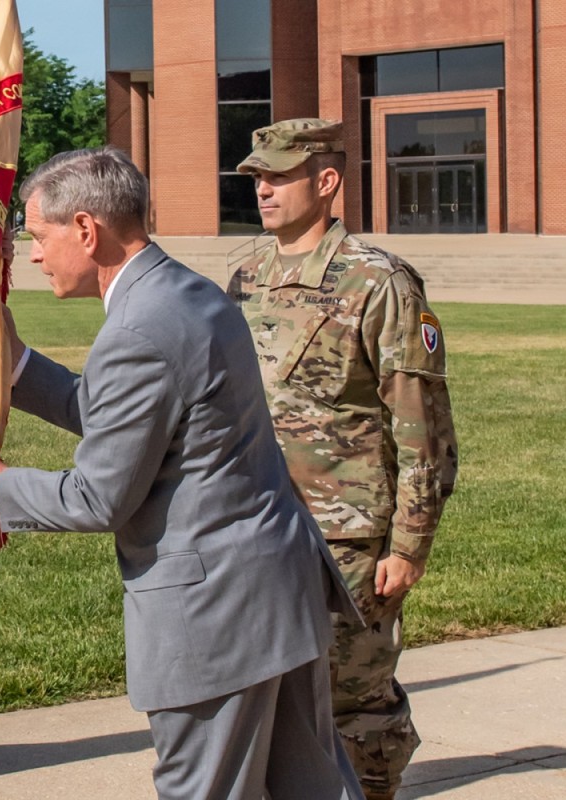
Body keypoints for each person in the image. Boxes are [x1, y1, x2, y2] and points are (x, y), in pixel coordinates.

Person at [0, 146, 364, 800]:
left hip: (215, 618)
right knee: (307, 788)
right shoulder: (189, 291)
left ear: (86, 231)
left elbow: (98, 498)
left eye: (39, 236)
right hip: (274, 595)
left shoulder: (138, 327)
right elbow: (132, 417)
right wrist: (17, 364)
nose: (34, 255)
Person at [228, 119, 459, 800]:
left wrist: (410, 546)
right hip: (261, 526)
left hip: (347, 541)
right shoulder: (245, 278)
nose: (264, 190)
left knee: (355, 706)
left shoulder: (379, 282)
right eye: (257, 178)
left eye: (278, 176)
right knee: (269, 699)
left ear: (325, 182)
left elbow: (424, 429)